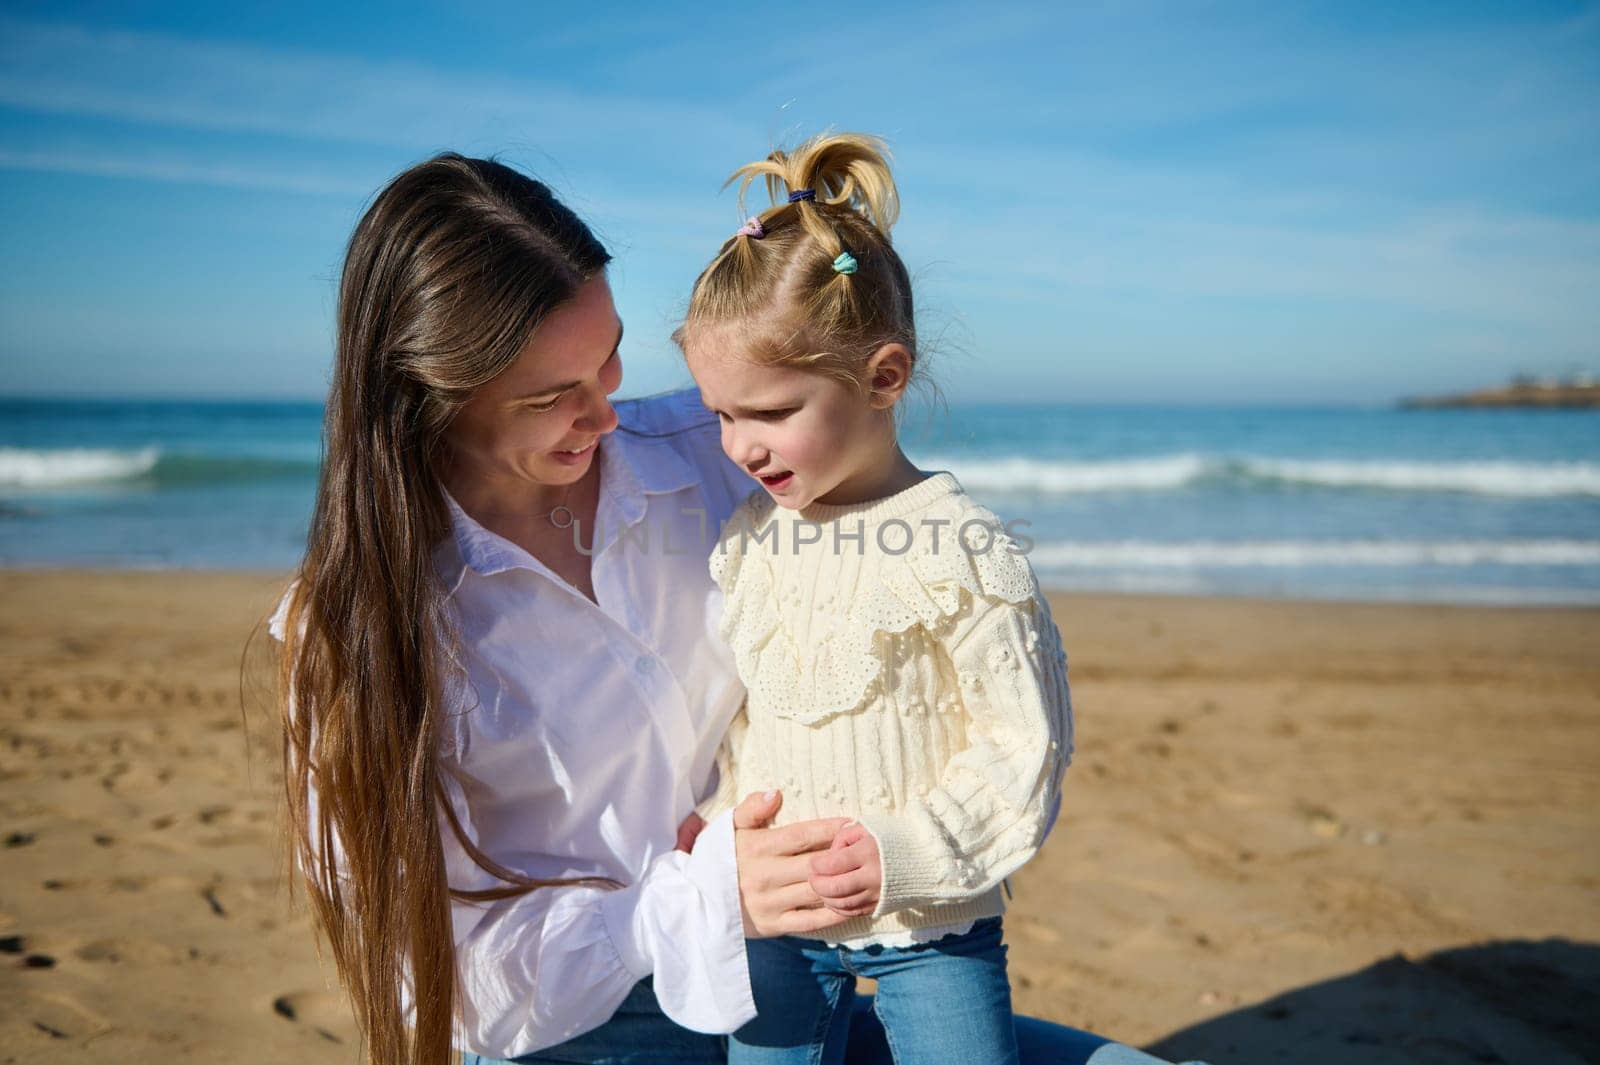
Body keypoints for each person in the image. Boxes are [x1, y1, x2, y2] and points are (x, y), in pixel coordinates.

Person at [271, 151, 1209, 1065]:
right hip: (578, 1032)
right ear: (428, 399)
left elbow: (840, 421)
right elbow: (443, 978)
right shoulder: (353, 630)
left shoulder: (714, 444)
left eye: (609, 362)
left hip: (792, 966)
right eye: (554, 397)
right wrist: (704, 894)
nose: (608, 417)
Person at [673, 132, 1070, 1065]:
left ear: (882, 378)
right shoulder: (752, 539)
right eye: (723, 415)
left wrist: (903, 851)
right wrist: (723, 824)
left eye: (771, 413)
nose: (741, 447)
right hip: (777, 917)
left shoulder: (961, 547)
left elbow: (1024, 749)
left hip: (934, 925)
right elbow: (750, 715)